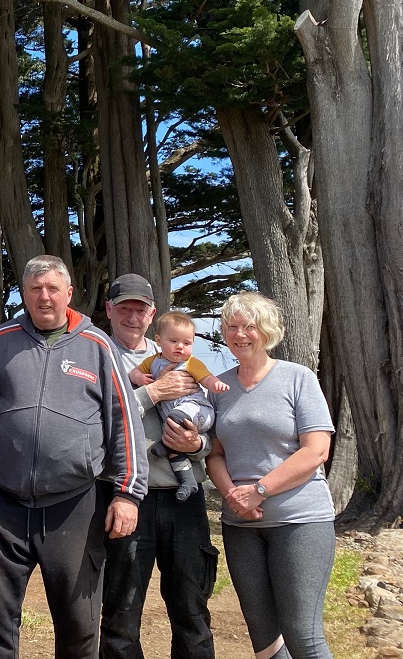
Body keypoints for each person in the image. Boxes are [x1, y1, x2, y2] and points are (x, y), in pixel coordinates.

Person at [0, 255, 147, 659]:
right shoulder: (1, 341)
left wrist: (127, 494)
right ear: (25, 293)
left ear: (69, 293)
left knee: (78, 624)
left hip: (74, 507)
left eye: (53, 288)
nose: (44, 296)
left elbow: (124, 423)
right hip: (5, 509)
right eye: (35, 288)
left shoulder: (97, 346)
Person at [205, 291, 336, 659]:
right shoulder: (218, 388)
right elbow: (214, 455)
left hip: (300, 522)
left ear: (267, 331)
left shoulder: (298, 378)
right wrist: (233, 494)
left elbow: (316, 450)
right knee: (263, 639)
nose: (240, 334)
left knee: (302, 636)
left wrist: (259, 491)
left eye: (249, 326)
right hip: (241, 527)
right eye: (232, 327)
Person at [100, 273, 218, 659]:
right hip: (126, 497)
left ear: (152, 314)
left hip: (184, 497)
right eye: (124, 309)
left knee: (192, 606)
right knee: (122, 608)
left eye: (140, 310)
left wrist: (198, 445)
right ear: (109, 310)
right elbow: (95, 420)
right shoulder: (97, 354)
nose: (132, 317)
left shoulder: (180, 355)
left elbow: (210, 420)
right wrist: (152, 393)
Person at [128, 311, 229, 501]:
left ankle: (164, 445)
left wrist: (215, 384)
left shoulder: (191, 363)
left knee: (175, 421)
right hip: (174, 422)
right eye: (174, 341)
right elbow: (135, 372)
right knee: (176, 445)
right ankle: (187, 481)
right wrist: (141, 379)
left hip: (196, 410)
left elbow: (206, 378)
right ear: (159, 340)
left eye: (187, 343)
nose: (180, 347)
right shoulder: (153, 361)